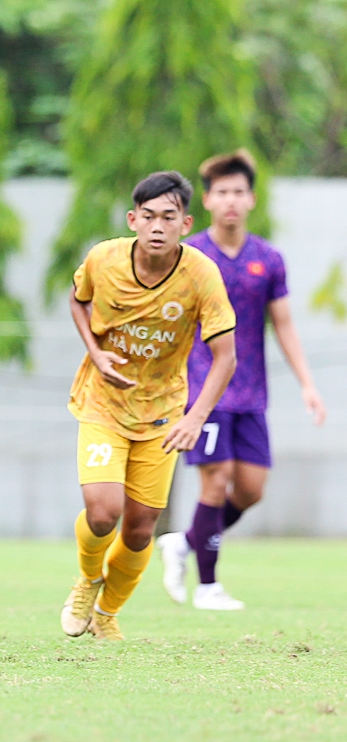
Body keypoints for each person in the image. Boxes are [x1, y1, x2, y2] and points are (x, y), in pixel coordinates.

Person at [60, 171, 237, 641]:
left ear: (186, 222)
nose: (159, 226)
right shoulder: (104, 259)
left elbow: (226, 356)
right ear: (133, 219)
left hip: (162, 414)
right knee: (102, 513)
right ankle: (87, 581)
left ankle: (107, 612)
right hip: (102, 403)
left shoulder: (201, 274)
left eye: (170, 217)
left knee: (140, 531)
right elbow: (78, 302)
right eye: (150, 216)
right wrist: (96, 351)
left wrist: (195, 418)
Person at [157, 150, 326, 610]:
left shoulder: (268, 259)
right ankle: (208, 587)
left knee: (250, 489)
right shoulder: (190, 257)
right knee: (216, 481)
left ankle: (185, 543)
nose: (231, 200)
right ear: (208, 201)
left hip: (251, 393)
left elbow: (284, 325)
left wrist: (308, 384)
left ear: (251, 199)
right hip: (203, 390)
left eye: (239, 192)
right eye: (222, 192)